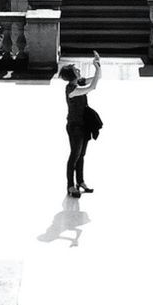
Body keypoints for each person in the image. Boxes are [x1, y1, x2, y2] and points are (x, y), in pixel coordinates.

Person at [60, 51, 101, 197]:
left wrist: (97, 65)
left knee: (81, 154)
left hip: (83, 124)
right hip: (74, 126)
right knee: (74, 155)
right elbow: (92, 87)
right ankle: (70, 186)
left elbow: (97, 79)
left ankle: (80, 182)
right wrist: (96, 69)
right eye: (76, 70)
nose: (79, 70)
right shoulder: (71, 89)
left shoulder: (78, 82)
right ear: (72, 75)